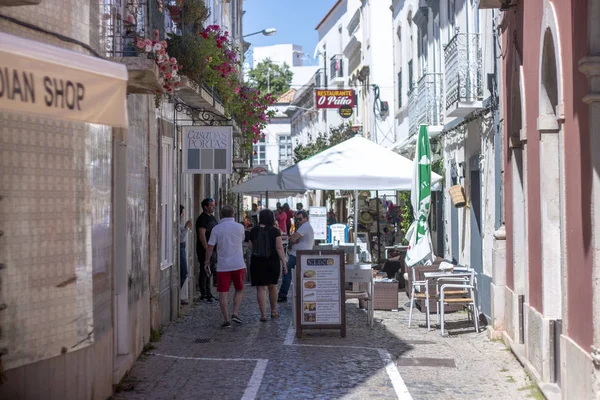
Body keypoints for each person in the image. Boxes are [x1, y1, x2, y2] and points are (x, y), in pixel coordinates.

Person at [204, 205, 246, 328]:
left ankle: (226, 319)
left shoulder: (217, 229)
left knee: (223, 292)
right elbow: (241, 241)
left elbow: (210, 247)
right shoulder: (240, 227)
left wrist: (207, 261)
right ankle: (235, 313)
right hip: (238, 263)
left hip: (223, 265)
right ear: (233, 214)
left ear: (221, 215)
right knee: (239, 289)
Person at [249, 209, 288, 321]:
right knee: (273, 286)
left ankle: (263, 315)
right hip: (272, 261)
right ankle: (274, 310)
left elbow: (251, 247)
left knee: (261, 288)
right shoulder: (275, 231)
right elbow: (279, 248)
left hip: (257, 261)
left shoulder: (254, 230)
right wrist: (284, 263)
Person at [278, 210, 314, 302]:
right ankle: (286, 294)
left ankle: (282, 294)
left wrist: (292, 240)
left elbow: (293, 238)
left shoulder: (305, 226)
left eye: (300, 219)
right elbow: (294, 238)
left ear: (306, 218)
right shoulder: (303, 226)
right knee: (289, 272)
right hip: (298, 254)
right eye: (296, 219)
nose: (298, 221)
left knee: (286, 270)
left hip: (298, 254)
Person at [196, 198, 218, 303]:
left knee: (211, 271)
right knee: (204, 270)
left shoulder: (212, 218)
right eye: (211, 205)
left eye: (213, 205)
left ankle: (209, 293)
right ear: (205, 206)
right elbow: (202, 235)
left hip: (213, 249)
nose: (213, 206)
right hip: (205, 249)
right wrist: (206, 249)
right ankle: (203, 293)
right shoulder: (202, 219)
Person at [180, 205, 192, 305]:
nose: (183, 214)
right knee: (184, 272)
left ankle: (179, 296)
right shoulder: (176, 224)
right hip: (180, 248)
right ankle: (178, 295)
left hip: (182, 248)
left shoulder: (179, 224)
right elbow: (180, 239)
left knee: (183, 272)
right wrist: (187, 227)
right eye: (182, 212)